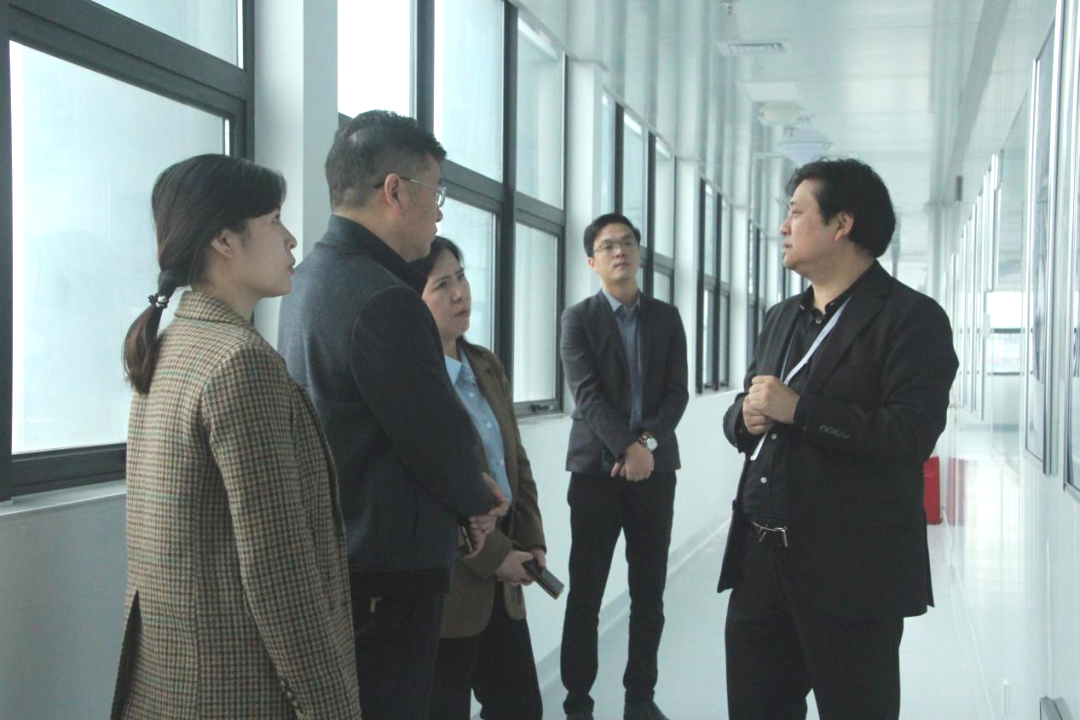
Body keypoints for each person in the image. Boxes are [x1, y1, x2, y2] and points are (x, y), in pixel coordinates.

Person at [112, 154, 360, 720]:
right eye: (273, 220)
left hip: (172, 684)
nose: (291, 239)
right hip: (240, 690)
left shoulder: (172, 346)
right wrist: (333, 708)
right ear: (224, 240)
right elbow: (279, 572)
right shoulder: (239, 363)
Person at [278, 110, 507, 720]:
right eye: (437, 193)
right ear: (395, 190)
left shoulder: (309, 279)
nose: (439, 215)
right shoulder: (385, 298)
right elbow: (433, 434)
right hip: (389, 569)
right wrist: (476, 499)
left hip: (342, 554)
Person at [719, 158, 958, 720]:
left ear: (841, 224)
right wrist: (744, 418)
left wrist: (801, 412)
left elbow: (910, 434)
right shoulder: (782, 317)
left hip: (851, 572)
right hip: (760, 562)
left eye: (796, 212)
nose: (783, 226)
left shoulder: (911, 319)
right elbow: (746, 408)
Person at [559, 213, 689, 720]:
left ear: (639, 251)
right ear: (592, 262)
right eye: (608, 246)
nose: (620, 251)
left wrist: (646, 446)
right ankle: (578, 703)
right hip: (596, 474)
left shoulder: (666, 318)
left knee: (649, 594)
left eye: (628, 242)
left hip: (654, 472)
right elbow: (588, 396)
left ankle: (640, 699)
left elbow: (677, 394)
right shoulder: (578, 319)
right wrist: (627, 449)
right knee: (586, 594)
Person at [414, 237, 548, 720]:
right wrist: (496, 557)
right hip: (453, 587)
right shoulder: (415, 381)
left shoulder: (485, 364)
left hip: (505, 577)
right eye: (441, 285)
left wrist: (532, 540)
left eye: (462, 277)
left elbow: (517, 463)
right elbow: (431, 491)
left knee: (520, 707)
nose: (459, 293)